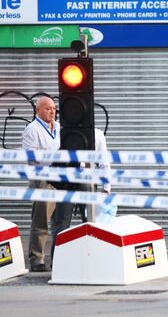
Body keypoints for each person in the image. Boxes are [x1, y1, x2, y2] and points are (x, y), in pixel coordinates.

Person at [50, 128, 112, 261]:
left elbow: (104, 163)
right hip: (67, 180)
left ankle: (94, 258)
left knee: (90, 222)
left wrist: (106, 188)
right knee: (63, 222)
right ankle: (57, 261)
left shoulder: (97, 134)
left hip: (86, 179)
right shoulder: (62, 133)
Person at [22, 96, 59, 272]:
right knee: (41, 220)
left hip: (61, 177)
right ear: (38, 111)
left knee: (59, 221)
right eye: (47, 108)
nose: (52, 111)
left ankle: (58, 258)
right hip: (42, 178)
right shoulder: (32, 129)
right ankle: (36, 260)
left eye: (53, 108)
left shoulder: (59, 127)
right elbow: (31, 158)